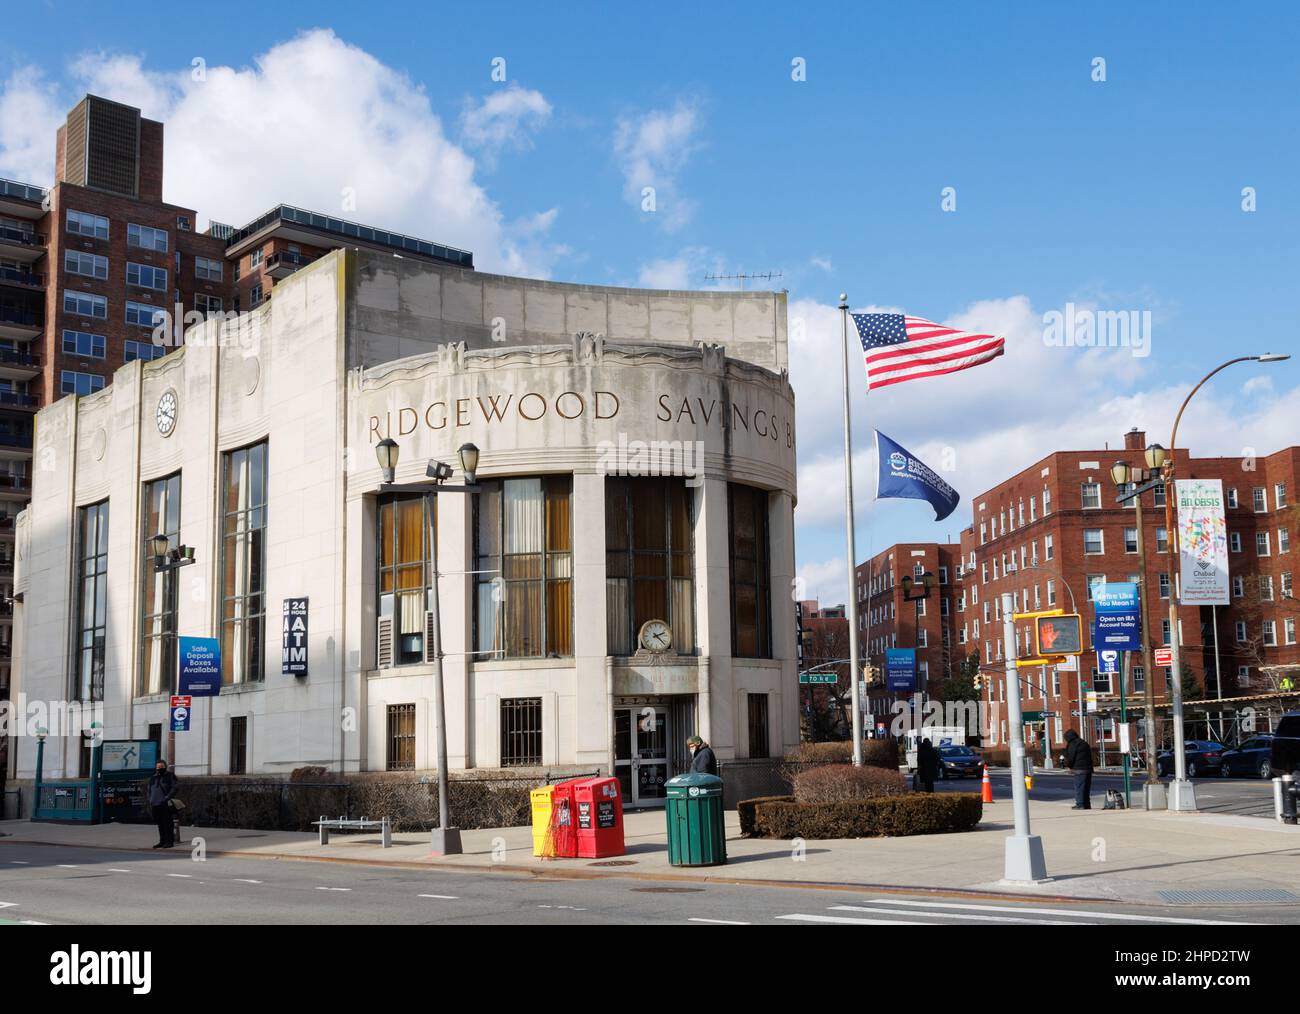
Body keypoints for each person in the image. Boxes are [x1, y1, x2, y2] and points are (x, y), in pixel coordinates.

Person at [148, 759, 178, 848]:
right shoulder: (153, 777)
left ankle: (169, 841)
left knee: (168, 823)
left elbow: (175, 787)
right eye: (157, 767)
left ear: (165, 767)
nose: (159, 768)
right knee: (160, 823)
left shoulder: (170, 776)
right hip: (155, 803)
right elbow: (149, 789)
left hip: (165, 803)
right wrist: (150, 799)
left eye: (161, 767)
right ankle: (162, 841)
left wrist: (167, 797)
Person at [1063, 729, 1094, 809]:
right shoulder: (1084, 743)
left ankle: (1080, 804)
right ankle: (1087, 804)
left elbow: (1071, 757)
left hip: (1079, 769)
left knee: (1079, 788)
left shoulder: (1073, 744)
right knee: (1086, 788)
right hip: (1088, 768)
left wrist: (1069, 766)